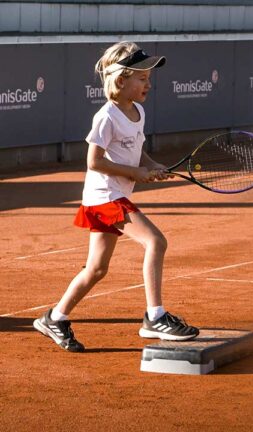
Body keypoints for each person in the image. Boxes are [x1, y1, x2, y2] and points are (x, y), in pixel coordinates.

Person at [33, 42, 199, 352]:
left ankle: (54, 317)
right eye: (142, 78)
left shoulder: (138, 112)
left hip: (113, 195)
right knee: (155, 241)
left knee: (96, 269)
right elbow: (93, 161)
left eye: (149, 78)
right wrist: (134, 173)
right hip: (105, 197)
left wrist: (150, 165)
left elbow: (137, 149)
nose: (148, 84)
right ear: (121, 81)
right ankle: (155, 317)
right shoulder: (106, 116)